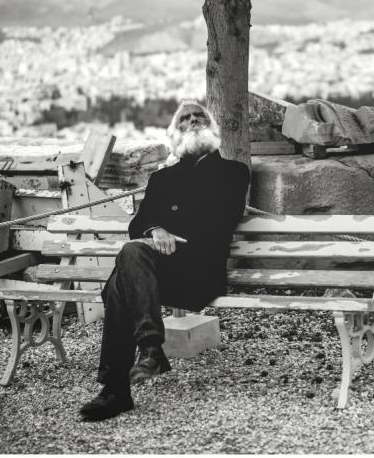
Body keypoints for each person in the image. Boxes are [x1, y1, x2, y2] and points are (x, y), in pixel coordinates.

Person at [79, 100, 250, 421]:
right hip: (160, 278)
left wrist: (171, 230)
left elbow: (224, 217)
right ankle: (149, 350)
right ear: (175, 133)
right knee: (128, 263)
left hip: (199, 272)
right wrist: (155, 229)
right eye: (185, 118)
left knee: (119, 284)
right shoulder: (161, 179)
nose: (194, 120)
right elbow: (136, 226)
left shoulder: (233, 171)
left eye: (200, 116)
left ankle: (117, 388)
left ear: (212, 129)